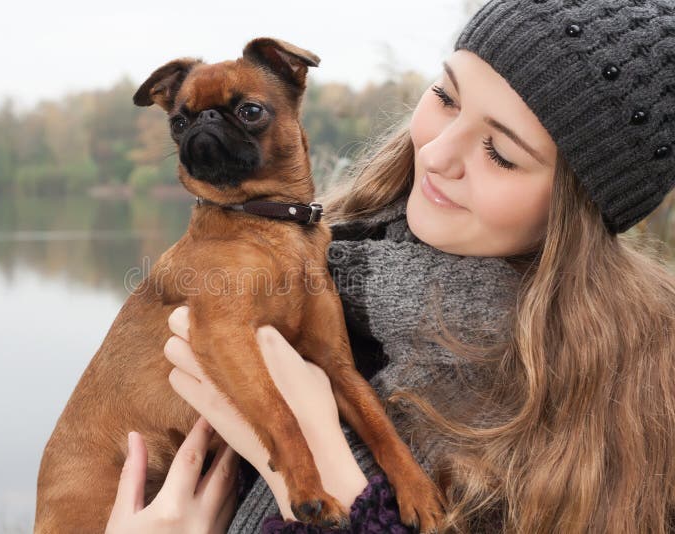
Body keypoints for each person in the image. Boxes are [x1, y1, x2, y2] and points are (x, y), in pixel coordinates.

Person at [105, 0, 675, 532]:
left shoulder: (616, 401)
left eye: (501, 152)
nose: (436, 152)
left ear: (579, 206)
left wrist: (334, 463)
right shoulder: (329, 240)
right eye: (446, 98)